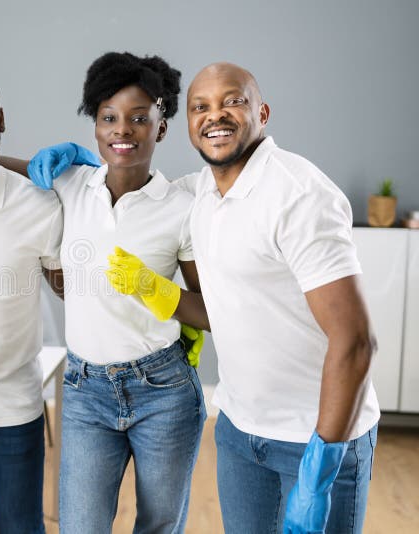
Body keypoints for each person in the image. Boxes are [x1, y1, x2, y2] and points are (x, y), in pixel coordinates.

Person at [0, 52, 209, 534]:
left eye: (140, 119)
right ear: (94, 127)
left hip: (162, 386)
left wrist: (159, 293)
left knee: (159, 524)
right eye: (109, 118)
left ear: (161, 128)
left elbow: (209, 308)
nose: (124, 130)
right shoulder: (70, 184)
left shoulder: (183, 206)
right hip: (85, 389)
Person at [181, 63, 379, 533]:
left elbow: (354, 341)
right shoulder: (202, 194)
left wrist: (319, 469)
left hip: (313, 442)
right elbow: (229, 312)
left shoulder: (298, 194)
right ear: (189, 124)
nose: (216, 116)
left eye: (232, 101)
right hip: (238, 434)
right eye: (201, 107)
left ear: (261, 113)